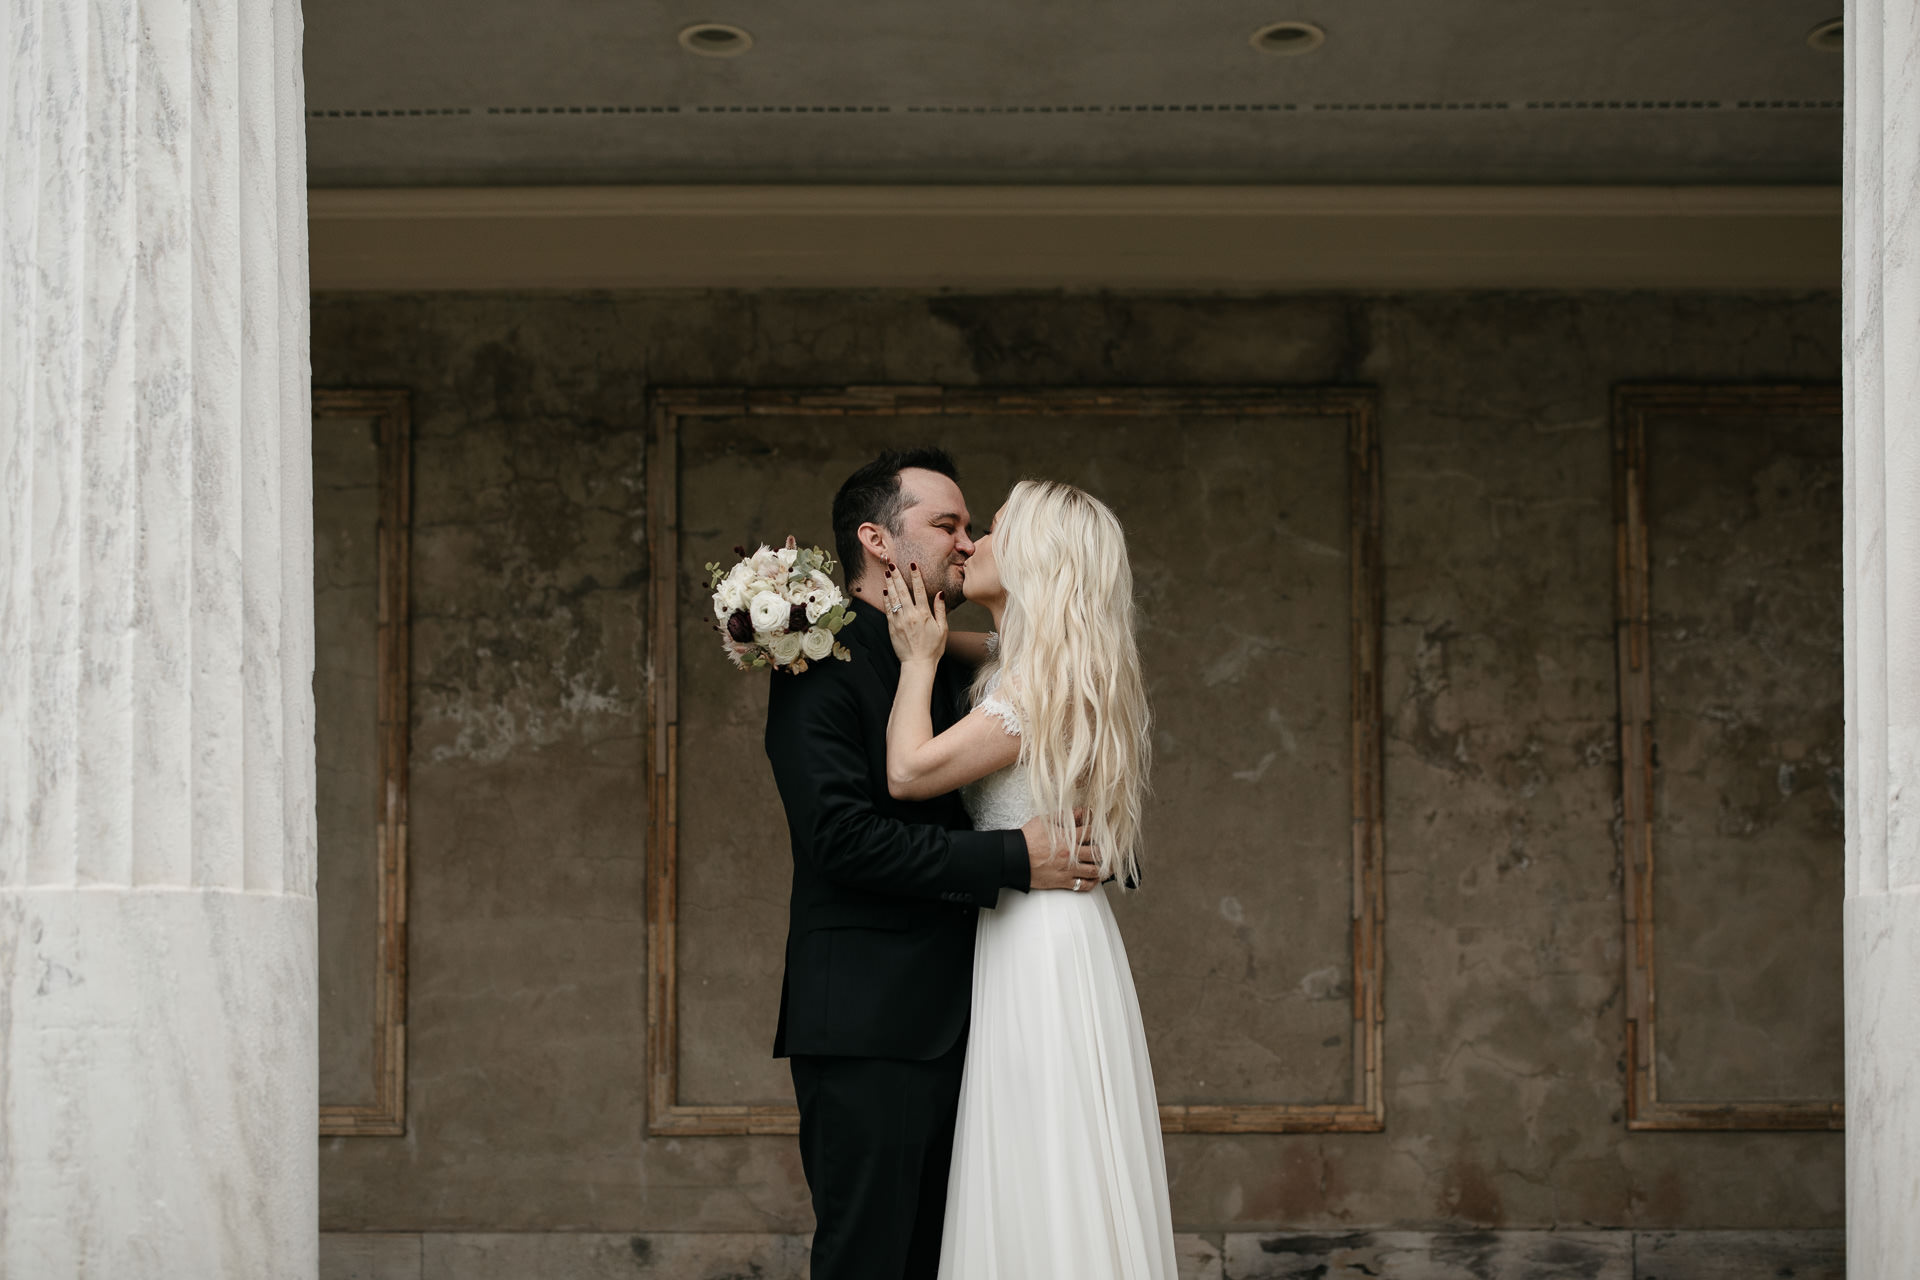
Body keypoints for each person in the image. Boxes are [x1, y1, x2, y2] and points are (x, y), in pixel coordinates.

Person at [764, 449, 1104, 1280]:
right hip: (873, 1021)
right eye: (947, 525)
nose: (965, 542)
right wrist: (1016, 857)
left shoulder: (950, 657)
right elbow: (842, 841)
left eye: (970, 527)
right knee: (872, 1257)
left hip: (977, 1011)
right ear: (879, 540)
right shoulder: (819, 663)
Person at [881, 479, 1177, 1279]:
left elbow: (909, 773)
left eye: (995, 530)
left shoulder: (1035, 688)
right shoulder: (1039, 661)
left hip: (1038, 940)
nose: (971, 544)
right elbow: (962, 642)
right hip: (1038, 929)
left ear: (1038, 558)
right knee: (1041, 1152)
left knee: (1044, 1156)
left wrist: (915, 664)